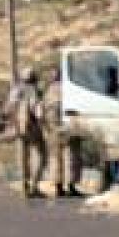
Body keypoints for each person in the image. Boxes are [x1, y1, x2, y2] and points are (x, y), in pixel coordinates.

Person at [6, 68, 49, 199]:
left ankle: (23, 186)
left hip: (18, 128)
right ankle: (34, 186)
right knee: (41, 155)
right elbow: (38, 110)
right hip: (32, 127)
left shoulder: (15, 90)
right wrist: (44, 124)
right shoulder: (33, 90)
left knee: (22, 157)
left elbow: (8, 108)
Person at [44, 68, 84, 198]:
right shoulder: (68, 89)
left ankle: (59, 187)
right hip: (67, 128)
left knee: (56, 158)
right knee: (70, 157)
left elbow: (43, 111)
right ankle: (71, 186)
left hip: (53, 129)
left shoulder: (48, 92)